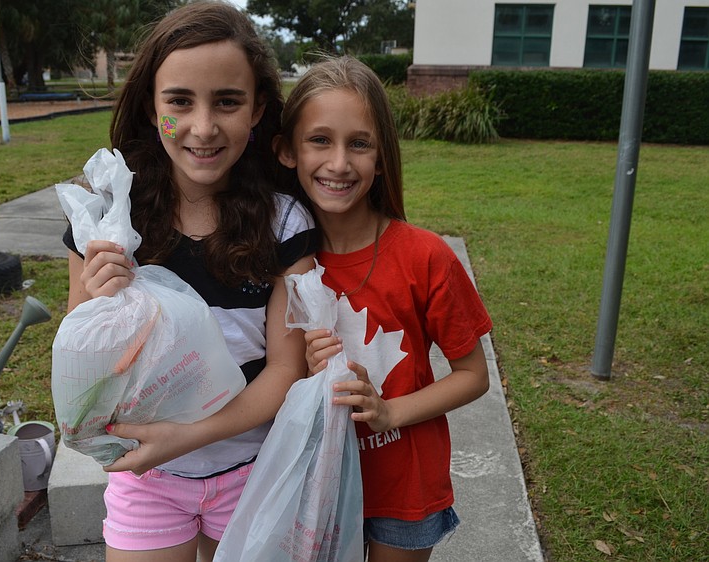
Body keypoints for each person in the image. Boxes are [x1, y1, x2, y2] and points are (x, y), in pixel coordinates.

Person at [63, 2, 317, 561]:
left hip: (256, 468)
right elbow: (79, 358)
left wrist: (187, 437)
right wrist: (96, 302)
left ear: (257, 112)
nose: (203, 128)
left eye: (227, 102)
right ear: (152, 110)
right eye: (179, 101)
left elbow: (285, 368)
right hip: (145, 479)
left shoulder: (286, 224)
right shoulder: (106, 219)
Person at [274, 56, 492, 562]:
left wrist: (390, 410)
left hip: (404, 487)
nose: (339, 163)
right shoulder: (276, 260)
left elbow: (472, 375)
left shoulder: (425, 255)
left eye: (360, 143)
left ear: (382, 154)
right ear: (286, 150)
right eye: (319, 140)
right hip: (313, 482)